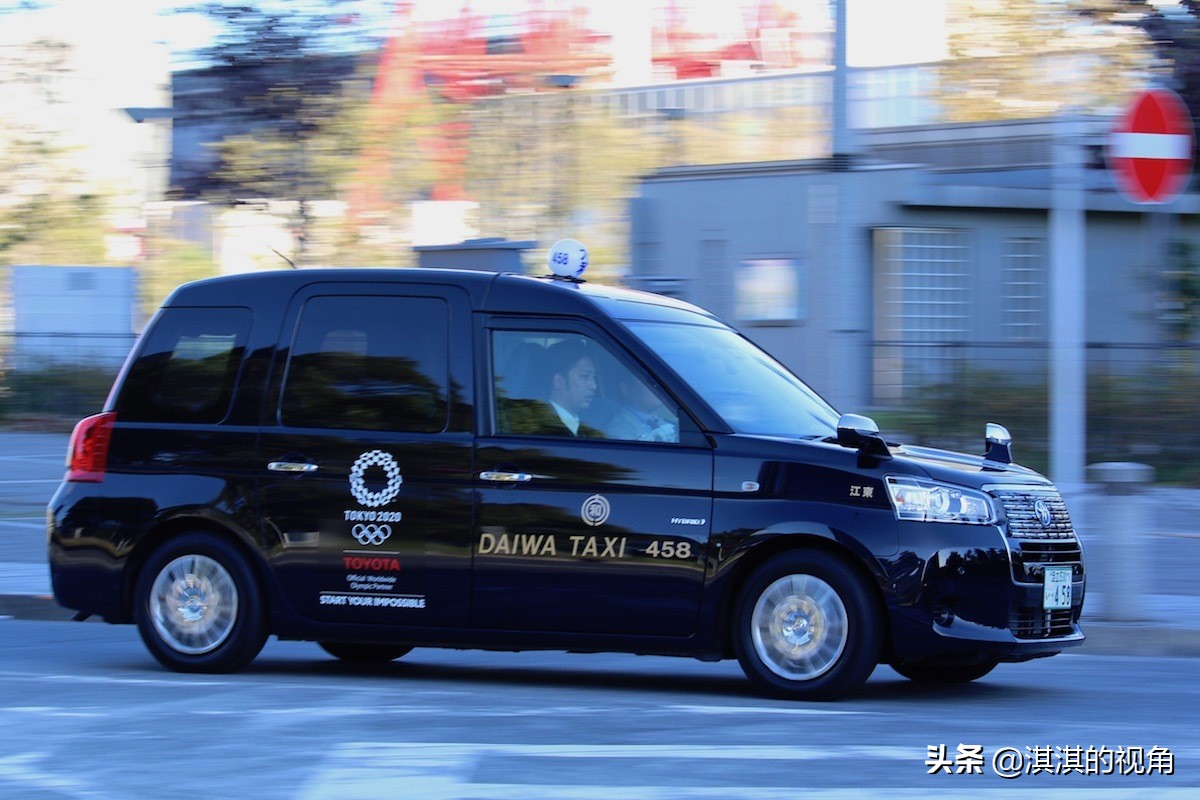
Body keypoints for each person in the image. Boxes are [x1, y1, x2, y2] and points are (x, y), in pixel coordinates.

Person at [543, 338, 603, 437]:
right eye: (585, 376)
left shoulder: (589, 424)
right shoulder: (544, 430)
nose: (593, 385)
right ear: (559, 381)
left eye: (594, 377)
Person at [607, 373, 678, 442]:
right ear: (625, 389)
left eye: (659, 382)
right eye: (650, 382)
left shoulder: (663, 422)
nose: (657, 387)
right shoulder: (619, 431)